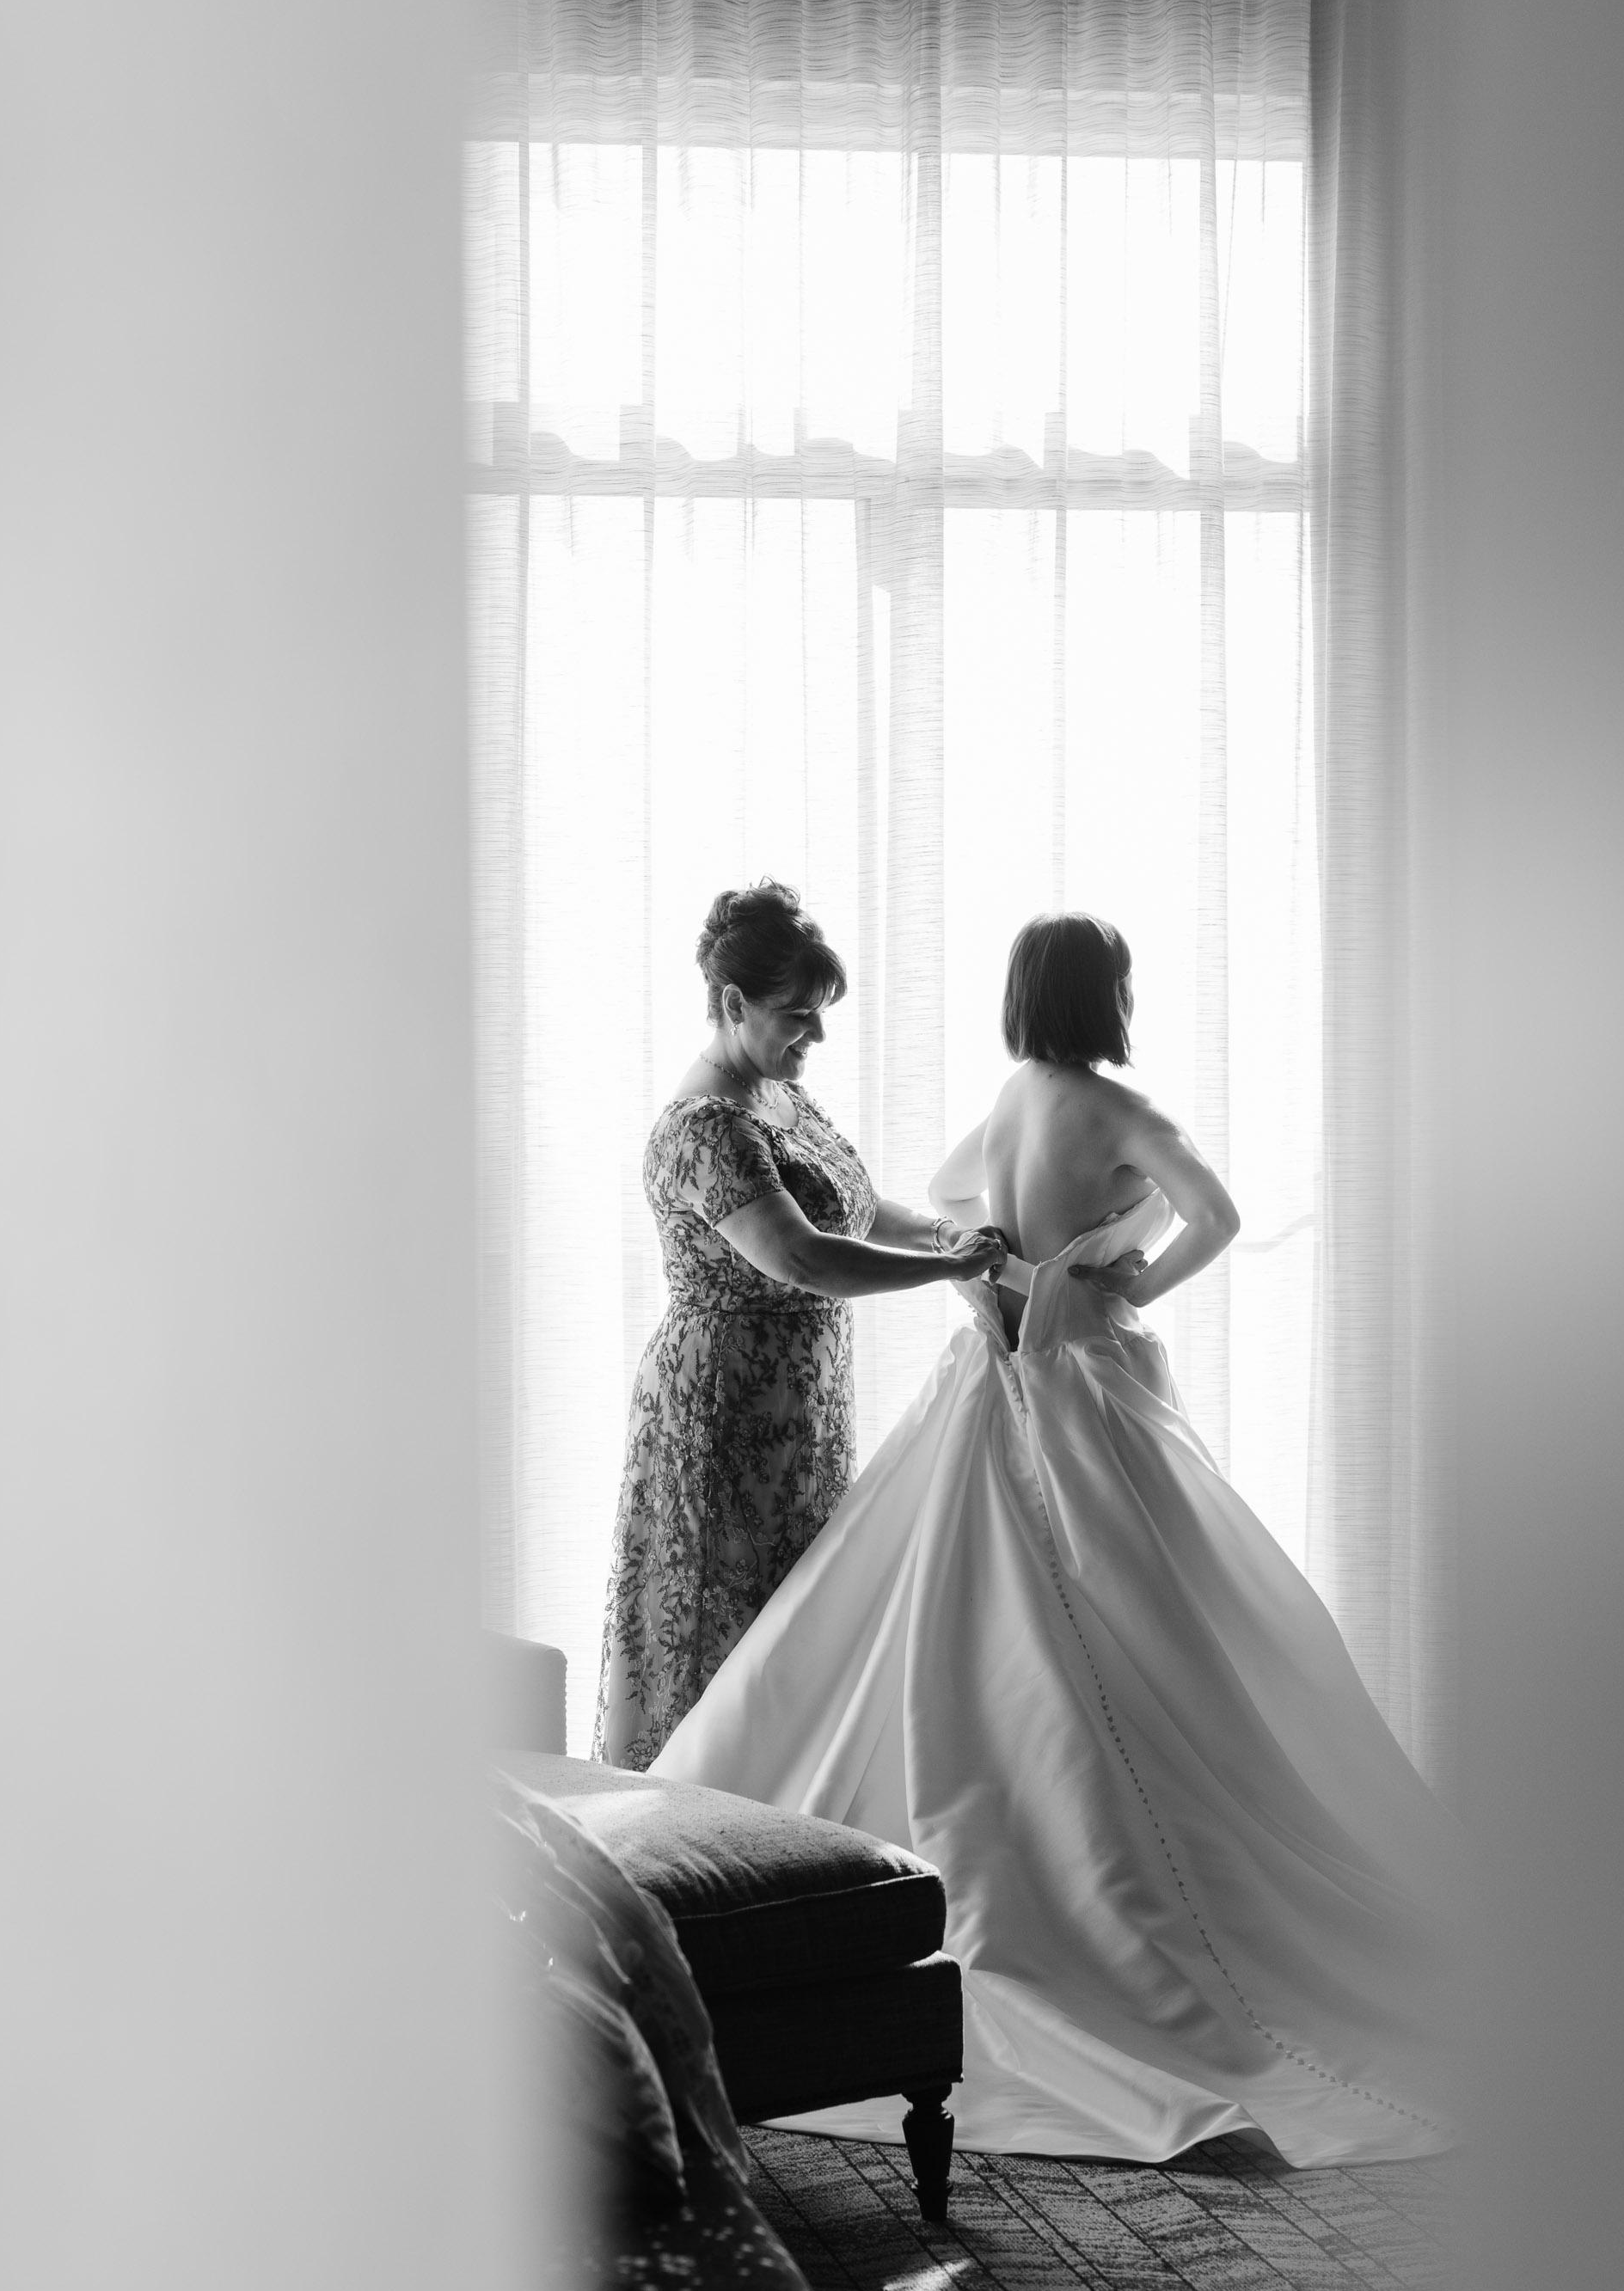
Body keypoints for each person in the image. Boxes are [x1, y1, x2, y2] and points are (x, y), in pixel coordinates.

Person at [653, 911, 1457, 2166]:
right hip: (1085, 1384)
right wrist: (1130, 1276)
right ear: (1108, 996)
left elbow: (951, 1198)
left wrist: (993, 1265)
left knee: (955, 1620)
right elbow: (1218, 1214)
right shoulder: (1117, 1110)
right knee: (1155, 1626)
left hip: (988, 1380)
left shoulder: (1013, 1096)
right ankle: (1111, 1867)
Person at [594, 880, 1004, 1771]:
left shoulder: (778, 1094)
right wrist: (949, 1271)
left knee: (790, 1627)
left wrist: (943, 1235)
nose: (814, 1035)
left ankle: (782, 1823)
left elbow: (853, 1205)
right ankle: (692, 1820)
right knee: (721, 1626)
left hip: (799, 1412)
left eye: (820, 1014)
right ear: (732, 1004)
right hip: (723, 1413)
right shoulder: (705, 1127)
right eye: (797, 1015)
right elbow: (804, 1255)